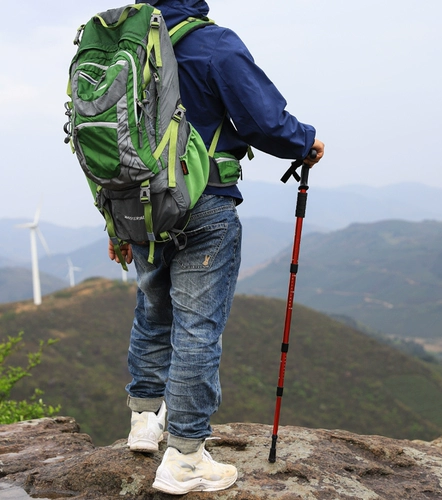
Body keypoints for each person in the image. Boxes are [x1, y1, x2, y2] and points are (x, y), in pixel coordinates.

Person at [108, 0, 325, 495]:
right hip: (202, 203)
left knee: (152, 305)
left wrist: (113, 221)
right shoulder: (212, 43)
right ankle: (185, 458)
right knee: (197, 327)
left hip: (136, 206)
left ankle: (145, 421)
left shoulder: (126, 42)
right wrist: (305, 142)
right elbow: (263, 120)